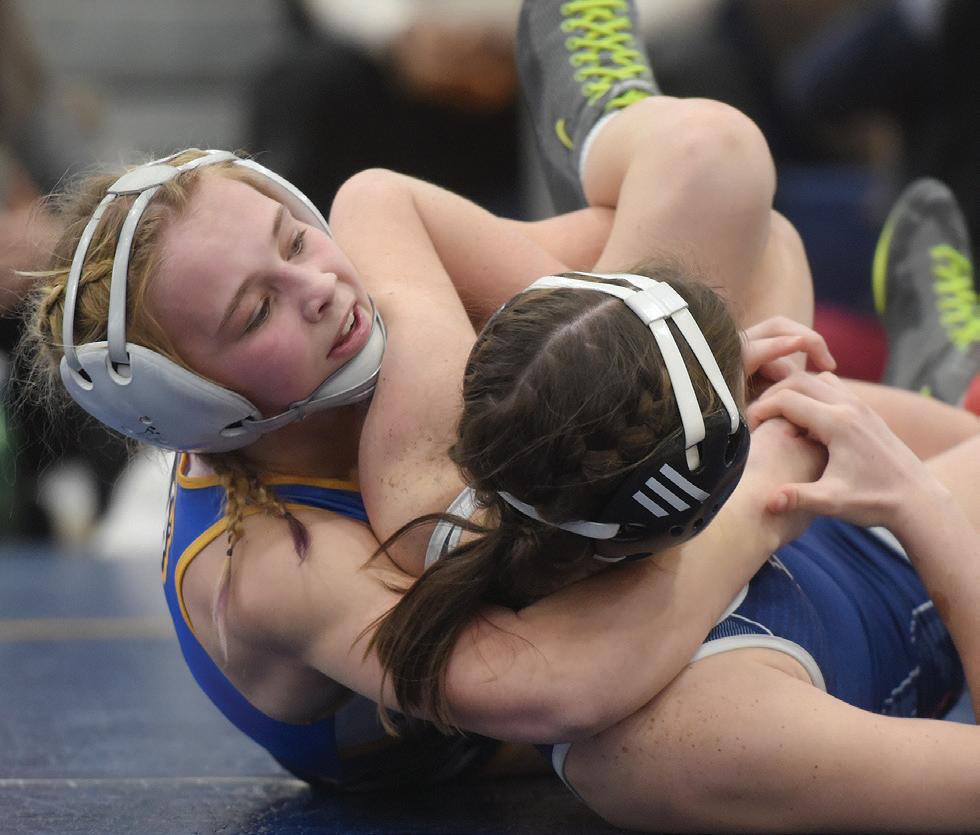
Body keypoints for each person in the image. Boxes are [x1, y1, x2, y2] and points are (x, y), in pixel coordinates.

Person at [372, 220, 980, 829]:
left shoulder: (466, 497)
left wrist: (680, 379)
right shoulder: (697, 737)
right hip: (923, 577)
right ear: (713, 474)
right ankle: (948, 377)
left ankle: (946, 380)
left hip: (845, 538)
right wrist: (919, 505)